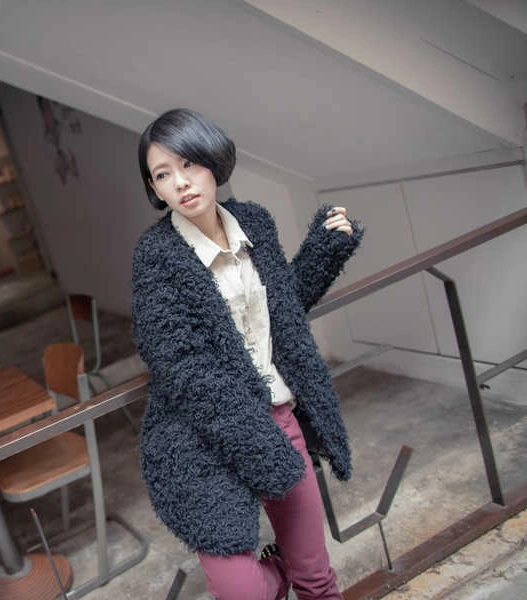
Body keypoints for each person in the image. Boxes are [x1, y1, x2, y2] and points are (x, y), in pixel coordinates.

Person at [131, 108, 363, 600]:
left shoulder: (254, 222)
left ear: (212, 159)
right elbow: (182, 366)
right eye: (163, 175)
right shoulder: (156, 257)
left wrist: (323, 251)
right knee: (244, 593)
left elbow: (280, 309)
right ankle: (279, 571)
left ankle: (294, 567)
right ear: (154, 188)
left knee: (317, 578)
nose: (181, 183)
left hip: (278, 421)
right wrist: (258, 444)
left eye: (188, 164)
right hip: (201, 441)